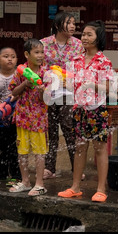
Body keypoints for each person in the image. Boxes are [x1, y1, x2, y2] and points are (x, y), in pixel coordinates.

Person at [58, 20, 114, 203]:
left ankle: (101, 189)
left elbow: (109, 87)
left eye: (89, 34)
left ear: (99, 38)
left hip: (97, 110)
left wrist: (93, 85)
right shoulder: (75, 60)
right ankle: (75, 187)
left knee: (100, 149)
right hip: (79, 110)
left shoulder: (103, 61)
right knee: (80, 149)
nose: (84, 37)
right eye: (83, 34)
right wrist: (64, 83)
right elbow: (70, 84)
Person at [41, 11, 84, 180]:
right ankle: (49, 168)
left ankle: (76, 167)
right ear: (58, 25)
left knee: (69, 129)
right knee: (50, 130)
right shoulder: (44, 44)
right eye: (69, 23)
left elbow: (81, 67)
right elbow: (40, 66)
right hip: (49, 93)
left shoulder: (78, 45)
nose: (73, 26)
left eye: (74, 23)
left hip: (69, 94)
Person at [7, 39, 48, 196]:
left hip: (39, 119)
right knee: (22, 151)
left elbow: (47, 99)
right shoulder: (20, 71)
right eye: (36, 52)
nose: (40, 56)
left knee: (39, 152)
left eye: (42, 52)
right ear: (26, 54)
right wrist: (25, 84)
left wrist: (42, 90)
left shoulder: (46, 72)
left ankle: (39, 184)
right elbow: (14, 92)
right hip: (22, 117)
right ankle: (25, 181)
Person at [0, 47, 22, 184]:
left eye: (13, 56)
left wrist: (11, 112)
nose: (10, 59)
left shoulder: (19, 77)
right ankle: (0, 173)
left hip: (15, 119)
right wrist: (1, 112)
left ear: (17, 60)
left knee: (14, 148)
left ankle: (15, 175)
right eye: (6, 56)